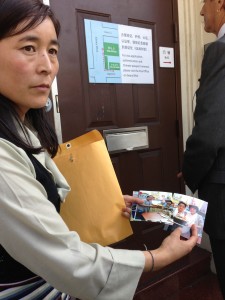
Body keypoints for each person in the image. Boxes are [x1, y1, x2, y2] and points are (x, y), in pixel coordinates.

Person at [0, 0, 198, 299]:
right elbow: (70, 262)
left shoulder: (22, 128)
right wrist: (162, 255)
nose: (47, 66)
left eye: (52, 51)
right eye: (28, 47)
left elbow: (39, 210)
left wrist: (106, 204)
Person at [178, 0, 225, 298]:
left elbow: (209, 133)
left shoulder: (220, 52)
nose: (199, 11)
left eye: (204, 2)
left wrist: (190, 172)